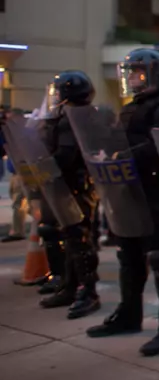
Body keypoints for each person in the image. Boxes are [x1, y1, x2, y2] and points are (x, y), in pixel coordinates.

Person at [86, 48, 159, 356]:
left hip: (158, 196)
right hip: (131, 194)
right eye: (129, 72)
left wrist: (127, 154)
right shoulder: (135, 107)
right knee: (129, 256)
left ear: (153, 74)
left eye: (137, 71)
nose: (131, 77)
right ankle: (129, 313)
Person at [35, 71, 101, 319]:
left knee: (79, 240)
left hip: (75, 185)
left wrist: (43, 165)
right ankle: (73, 287)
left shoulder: (72, 119)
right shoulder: (78, 115)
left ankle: (87, 291)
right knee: (74, 239)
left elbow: (66, 154)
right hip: (77, 186)